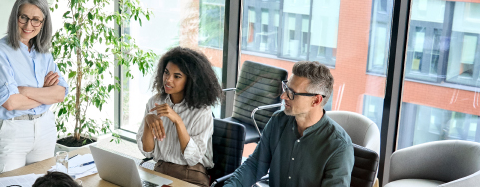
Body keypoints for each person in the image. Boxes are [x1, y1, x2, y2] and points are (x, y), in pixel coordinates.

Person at [223, 61, 354, 187]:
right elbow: (254, 165)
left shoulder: (339, 147)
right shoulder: (278, 121)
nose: (283, 96)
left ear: (316, 100)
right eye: (286, 88)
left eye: (292, 93)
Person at [0, 0, 69, 174]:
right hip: (12, 129)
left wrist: (24, 90)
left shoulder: (44, 52)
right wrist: (45, 93)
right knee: (8, 184)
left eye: (36, 19)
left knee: (44, 184)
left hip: (44, 127)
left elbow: (60, 93)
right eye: (24, 17)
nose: (29, 25)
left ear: (43, 23)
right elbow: (11, 102)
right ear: (15, 17)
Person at [136, 47, 223, 187]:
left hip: (191, 176)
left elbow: (193, 158)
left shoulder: (202, 111)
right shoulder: (154, 102)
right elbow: (147, 152)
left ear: (191, 80)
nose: (168, 80)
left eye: (177, 76)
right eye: (166, 72)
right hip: (161, 171)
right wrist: (148, 122)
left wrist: (177, 120)